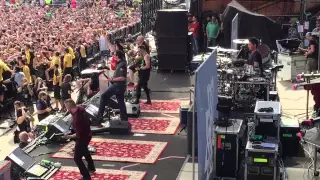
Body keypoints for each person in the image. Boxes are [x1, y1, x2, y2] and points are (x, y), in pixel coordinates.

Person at [63, 99, 95, 180]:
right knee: (84, 150)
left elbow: (77, 135)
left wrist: (68, 136)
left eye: (66, 106)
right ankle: (91, 167)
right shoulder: (80, 108)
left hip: (83, 137)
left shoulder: (77, 120)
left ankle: (86, 176)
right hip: (88, 134)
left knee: (77, 158)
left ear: (68, 107)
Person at [97, 50, 128, 121]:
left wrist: (113, 79)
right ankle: (124, 118)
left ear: (118, 56)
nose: (113, 56)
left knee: (104, 96)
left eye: (114, 55)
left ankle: (99, 117)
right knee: (121, 102)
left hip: (118, 86)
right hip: (119, 86)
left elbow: (122, 78)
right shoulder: (120, 63)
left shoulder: (122, 64)